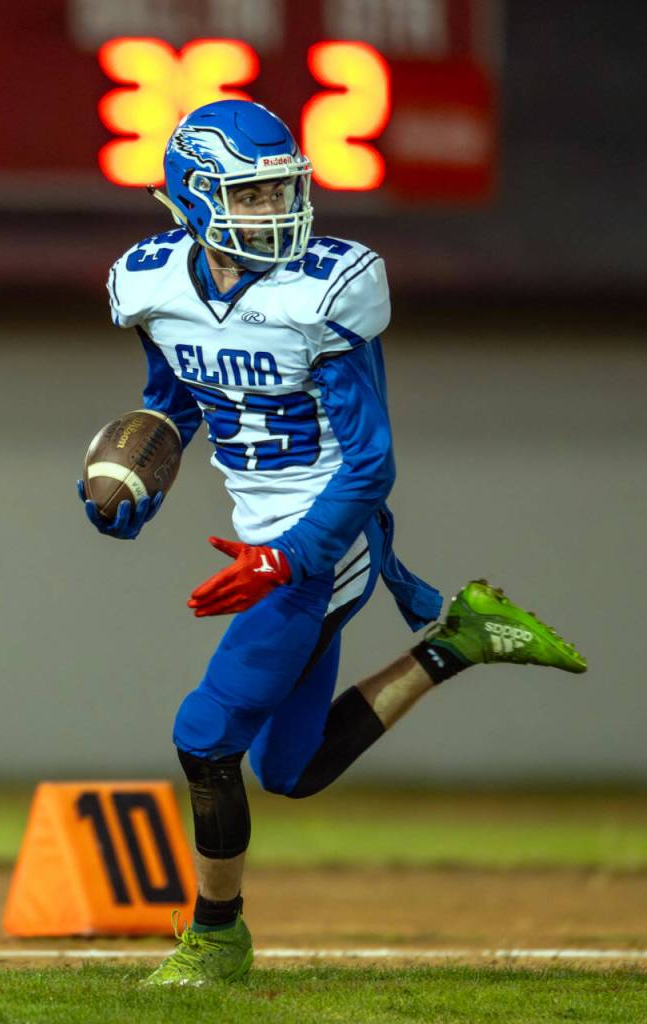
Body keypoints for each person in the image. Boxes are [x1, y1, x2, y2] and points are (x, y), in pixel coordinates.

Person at [77, 99, 587, 986]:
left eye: (283, 190)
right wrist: (143, 475)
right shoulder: (152, 283)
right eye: (254, 194)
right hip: (266, 539)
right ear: (195, 200)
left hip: (328, 535)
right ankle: (455, 642)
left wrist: (287, 557)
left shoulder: (326, 288)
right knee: (291, 769)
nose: (278, 210)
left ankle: (215, 939)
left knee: (204, 736)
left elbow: (371, 466)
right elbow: (178, 394)